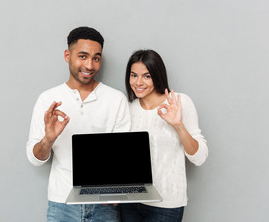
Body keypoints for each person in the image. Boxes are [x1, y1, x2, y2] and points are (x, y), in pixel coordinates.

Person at [26, 26, 131, 222]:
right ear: (67, 55)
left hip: (104, 204)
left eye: (96, 58)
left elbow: (123, 157)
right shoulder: (47, 99)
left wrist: (118, 190)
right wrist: (48, 139)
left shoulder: (116, 99)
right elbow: (35, 159)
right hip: (62, 204)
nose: (89, 65)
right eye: (82, 56)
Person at [120, 49, 208, 222]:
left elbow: (199, 158)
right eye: (133, 75)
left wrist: (178, 125)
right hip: (130, 201)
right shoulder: (127, 109)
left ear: (157, 76)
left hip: (166, 205)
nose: (138, 82)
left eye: (146, 76)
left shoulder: (179, 103)